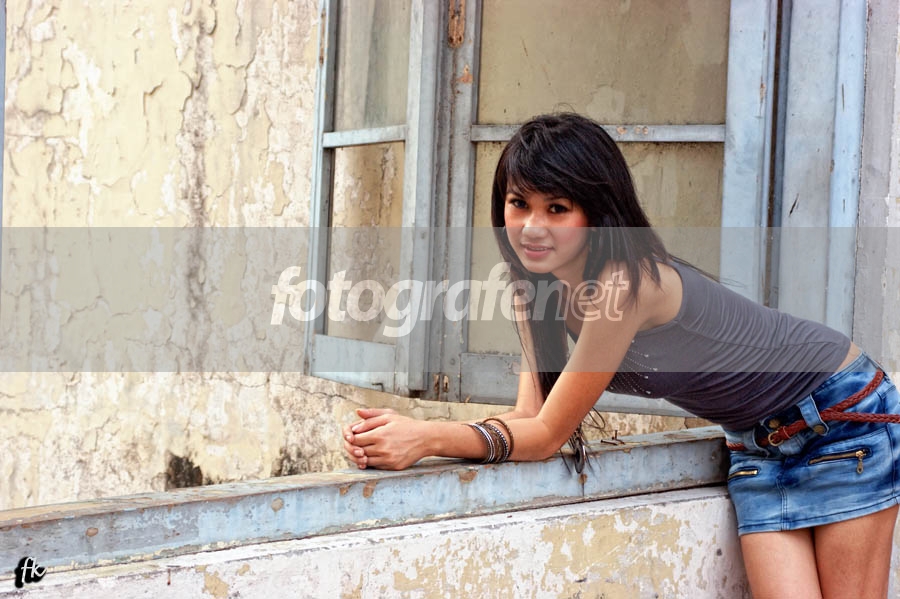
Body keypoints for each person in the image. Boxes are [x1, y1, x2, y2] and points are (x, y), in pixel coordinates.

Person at [341, 113, 900, 597]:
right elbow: (531, 416)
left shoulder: (624, 285)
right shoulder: (531, 289)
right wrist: (410, 435)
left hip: (839, 415)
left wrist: (427, 438)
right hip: (756, 442)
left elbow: (548, 435)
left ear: (597, 212)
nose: (532, 227)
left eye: (557, 208)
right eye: (518, 203)